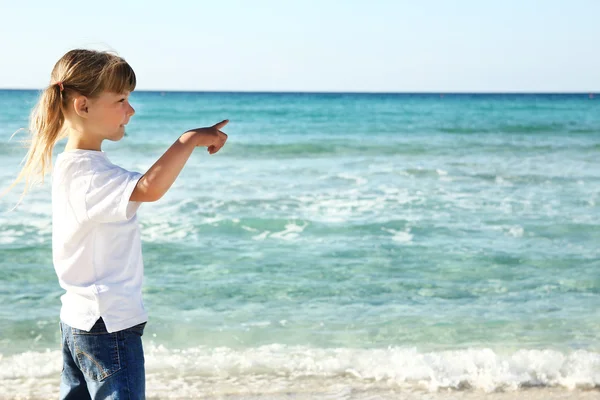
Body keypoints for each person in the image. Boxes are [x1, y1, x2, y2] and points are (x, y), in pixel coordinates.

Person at [5, 49, 228, 399]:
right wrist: (188, 140)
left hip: (81, 321)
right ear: (83, 105)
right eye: (121, 99)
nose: (131, 110)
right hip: (106, 324)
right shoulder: (88, 175)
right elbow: (149, 189)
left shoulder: (77, 166)